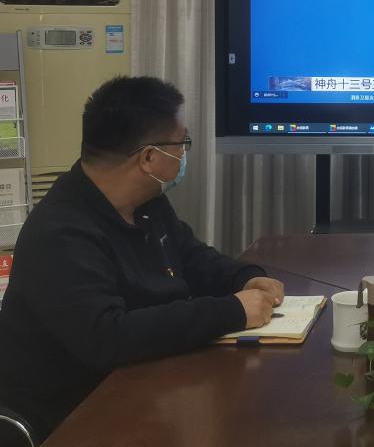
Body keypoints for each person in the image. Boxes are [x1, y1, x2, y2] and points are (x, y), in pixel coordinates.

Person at [0, 76, 283, 440]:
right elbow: (109, 337)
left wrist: (245, 278)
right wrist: (232, 310)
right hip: (73, 415)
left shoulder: (147, 203)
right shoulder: (60, 233)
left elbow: (192, 257)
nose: (184, 153)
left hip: (146, 382)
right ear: (149, 157)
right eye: (182, 143)